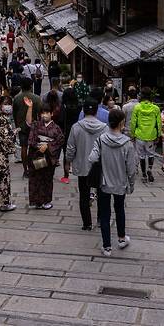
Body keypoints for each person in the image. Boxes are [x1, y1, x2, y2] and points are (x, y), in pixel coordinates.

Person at [89, 109, 136, 257]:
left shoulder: (101, 139)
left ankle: (107, 247)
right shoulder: (127, 143)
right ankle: (122, 239)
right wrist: (131, 184)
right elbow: (131, 169)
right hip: (120, 183)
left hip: (104, 183)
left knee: (104, 214)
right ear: (122, 122)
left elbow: (92, 158)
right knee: (119, 209)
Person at [66, 98, 107, 230]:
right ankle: (100, 220)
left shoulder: (76, 127)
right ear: (96, 111)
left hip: (82, 165)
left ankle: (87, 223)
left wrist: (68, 160)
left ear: (83, 111)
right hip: (99, 167)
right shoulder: (104, 128)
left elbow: (71, 148)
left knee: (84, 194)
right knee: (101, 194)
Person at [27, 103, 64, 209]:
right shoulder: (36, 125)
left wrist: (48, 146)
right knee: (36, 178)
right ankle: (37, 201)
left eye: (47, 113)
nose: (44, 115)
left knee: (47, 178)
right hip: (37, 154)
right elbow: (31, 138)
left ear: (51, 114)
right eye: (42, 113)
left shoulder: (56, 128)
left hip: (49, 156)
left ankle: (46, 201)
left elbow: (60, 141)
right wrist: (38, 146)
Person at [0, 96, 17, 211]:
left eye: (9, 103)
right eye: (5, 103)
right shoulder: (0, 119)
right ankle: (4, 203)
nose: (8, 106)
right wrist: (13, 134)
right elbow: (5, 138)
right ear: (0, 105)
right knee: (2, 176)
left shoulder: (1, 118)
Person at [130, 87, 162, 183]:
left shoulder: (137, 107)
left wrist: (132, 134)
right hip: (151, 135)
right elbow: (159, 123)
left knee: (142, 156)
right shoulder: (156, 108)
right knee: (151, 154)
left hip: (140, 134)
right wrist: (158, 135)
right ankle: (150, 169)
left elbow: (133, 122)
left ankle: (144, 174)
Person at [13, 78, 42, 176]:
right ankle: (36, 168)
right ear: (31, 86)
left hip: (22, 127)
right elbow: (40, 114)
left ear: (21, 87)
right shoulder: (37, 98)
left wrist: (17, 126)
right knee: (35, 148)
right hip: (34, 127)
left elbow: (14, 114)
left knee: (24, 148)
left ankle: (25, 170)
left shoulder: (17, 98)